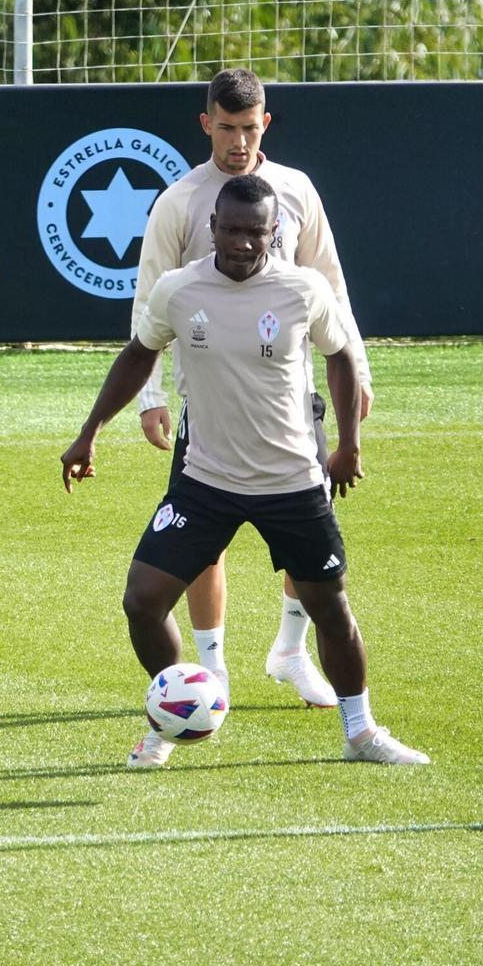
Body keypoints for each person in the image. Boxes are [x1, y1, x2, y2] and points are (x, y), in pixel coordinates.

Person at [62, 175, 427, 769]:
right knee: (142, 602)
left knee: (331, 609)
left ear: (273, 232)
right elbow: (138, 353)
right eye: (230, 229)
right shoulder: (179, 290)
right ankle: (172, 717)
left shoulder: (302, 289)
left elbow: (339, 357)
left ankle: (360, 733)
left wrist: (348, 446)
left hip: (292, 482)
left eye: (255, 231)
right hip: (206, 481)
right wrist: (89, 433)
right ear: (213, 228)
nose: (241, 241)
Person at [132, 68, 373, 708]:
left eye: (250, 127)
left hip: (294, 394)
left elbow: (328, 280)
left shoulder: (296, 191)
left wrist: (360, 365)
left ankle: (290, 652)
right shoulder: (180, 201)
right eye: (227, 127)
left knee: (310, 527)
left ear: (265, 123)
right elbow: (149, 302)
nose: (238, 141)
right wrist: (150, 397)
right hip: (208, 397)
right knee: (202, 535)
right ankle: (212, 671)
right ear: (206, 123)